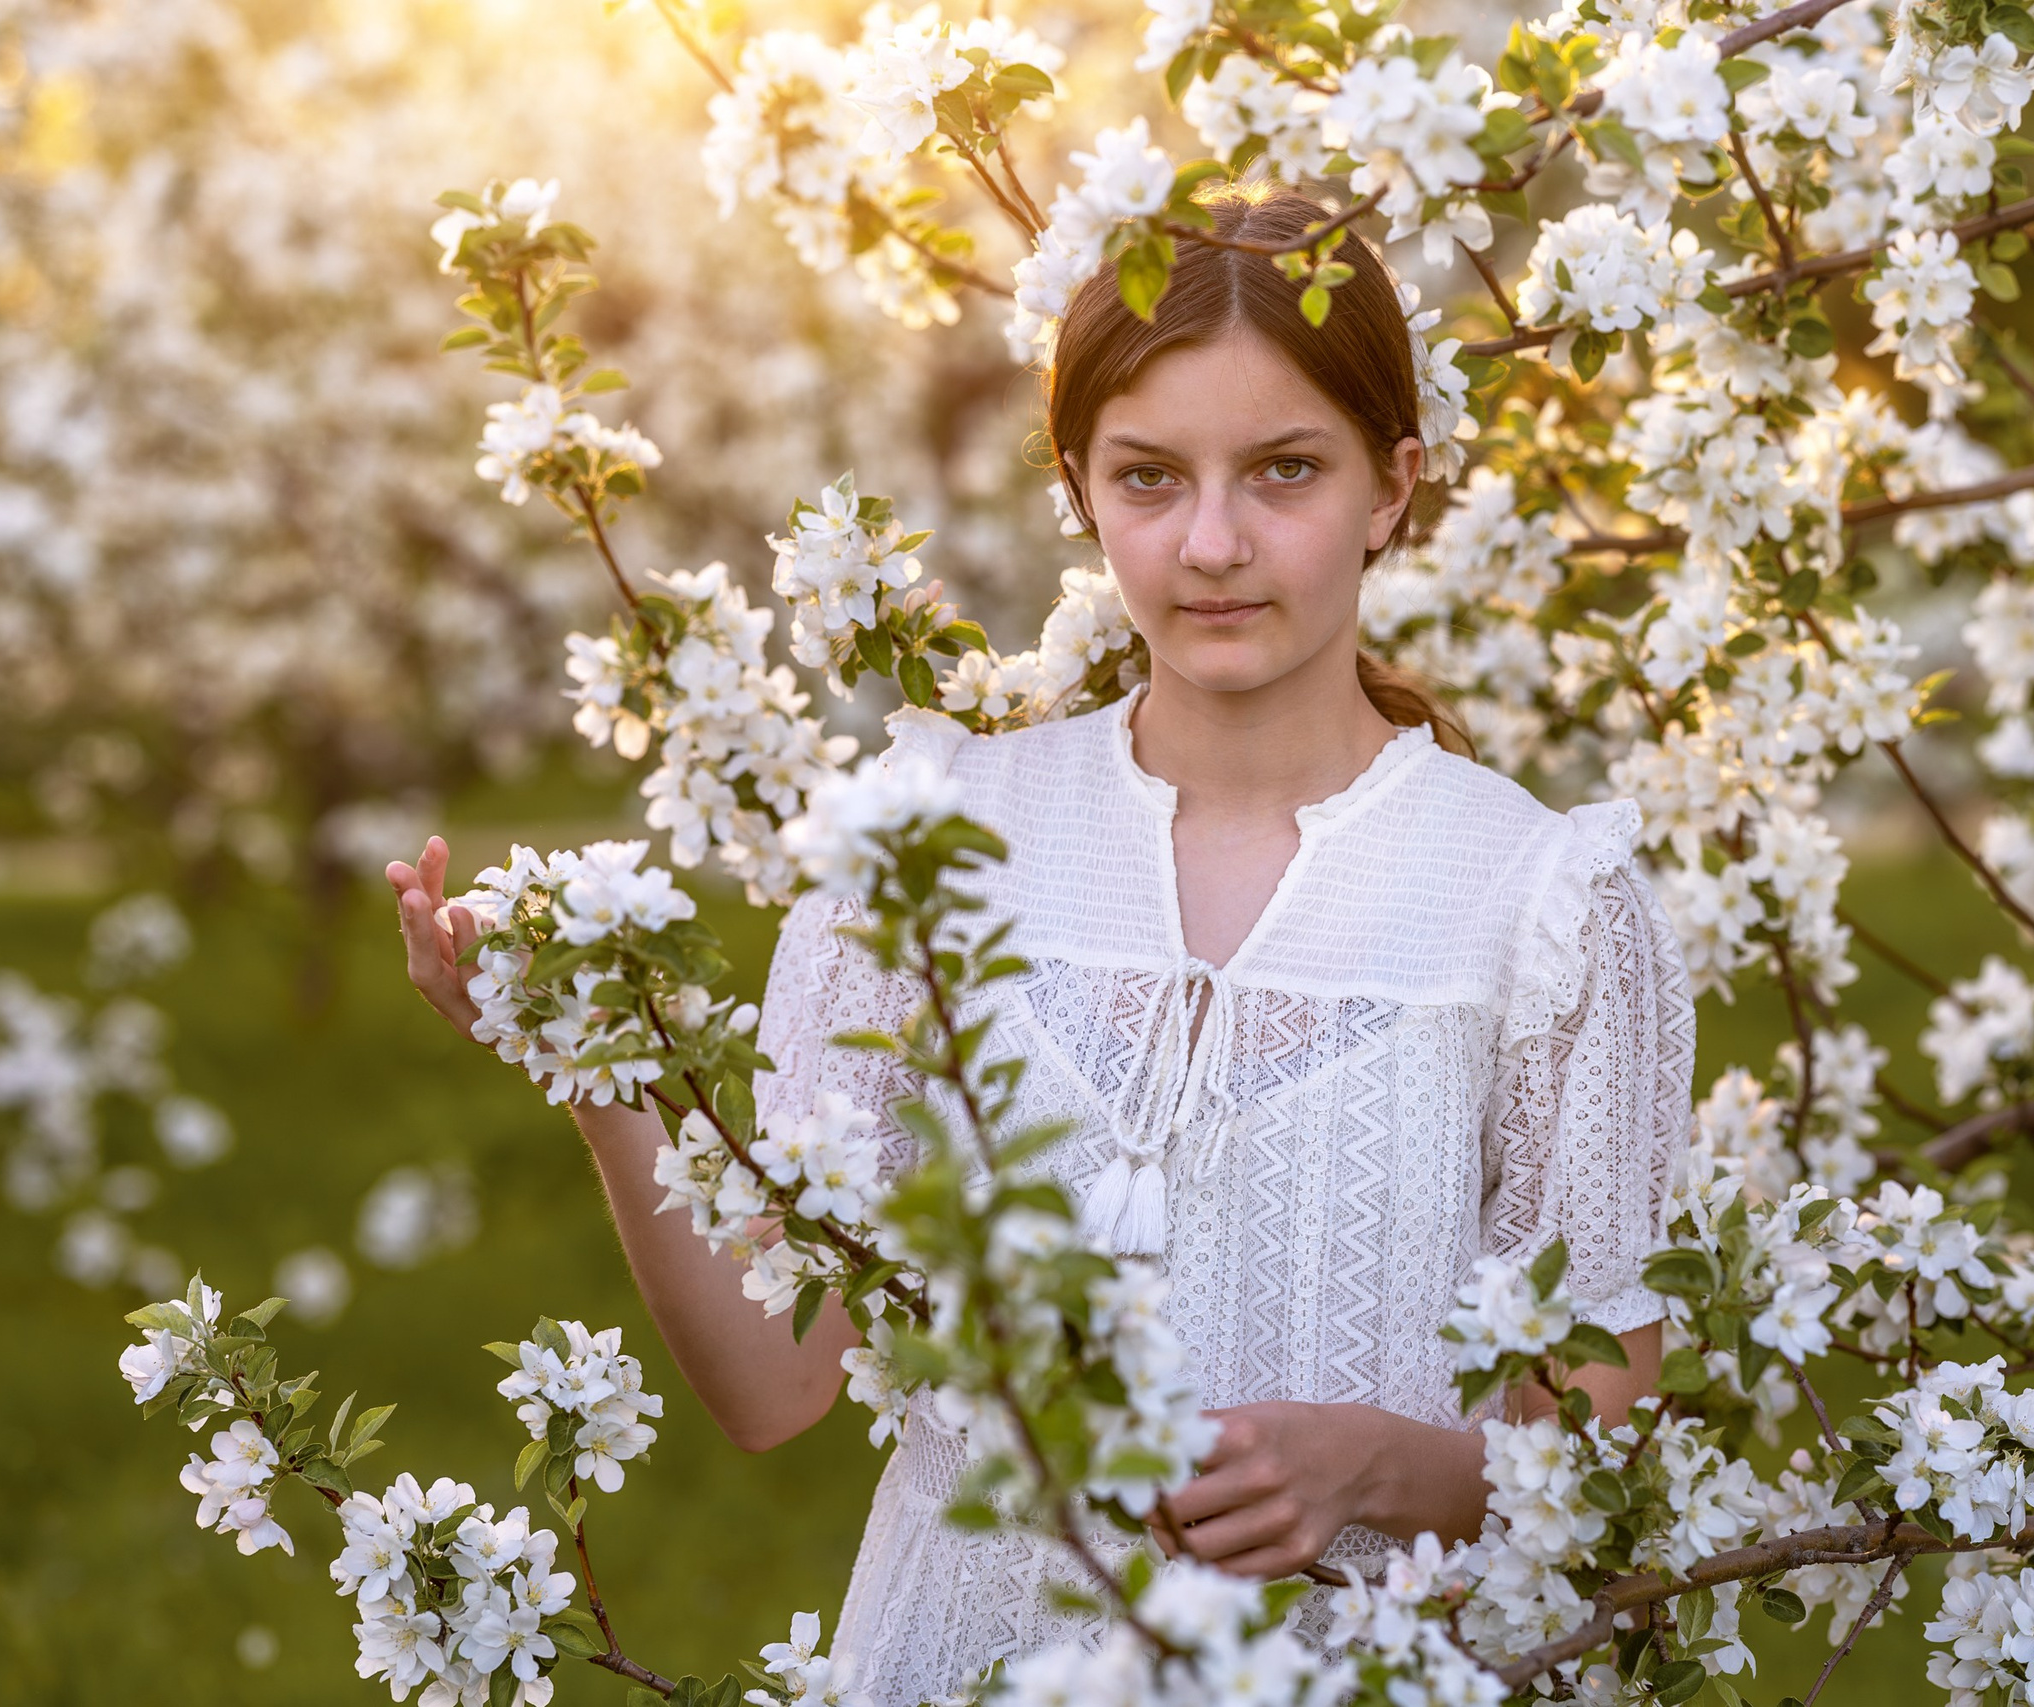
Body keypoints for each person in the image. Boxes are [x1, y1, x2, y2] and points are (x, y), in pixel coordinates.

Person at [389, 176, 1694, 1707]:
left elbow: (1602, 1439)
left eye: (1285, 470)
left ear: (1394, 485)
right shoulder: (935, 835)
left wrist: (1378, 1466)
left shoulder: (1542, 900)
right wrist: (591, 1054)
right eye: (1148, 478)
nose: (1214, 542)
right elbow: (771, 1385)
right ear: (1081, 489)